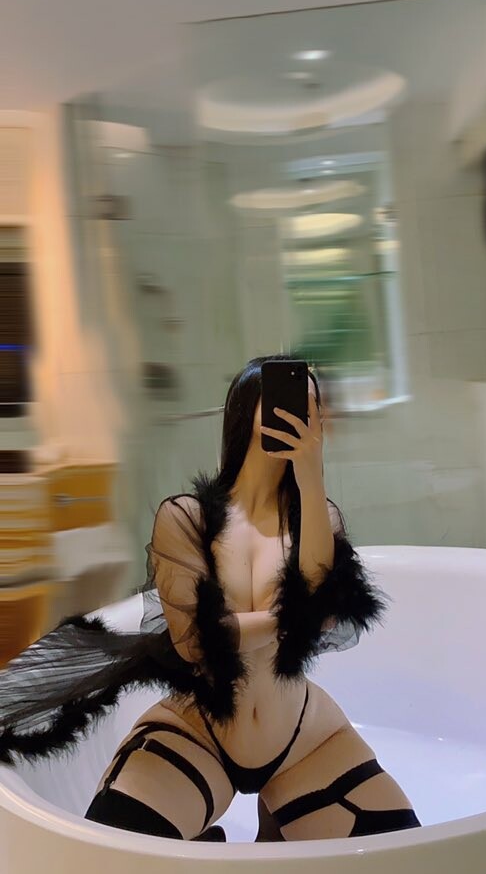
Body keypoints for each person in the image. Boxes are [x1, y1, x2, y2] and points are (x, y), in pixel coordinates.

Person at [0, 355, 420, 842]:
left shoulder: (318, 516)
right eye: (289, 400)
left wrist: (310, 477)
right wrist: (292, 619)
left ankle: (274, 837)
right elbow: (197, 642)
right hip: (200, 730)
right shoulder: (188, 517)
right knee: (117, 854)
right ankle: (220, 847)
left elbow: (321, 606)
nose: (303, 414)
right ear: (247, 410)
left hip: (304, 735)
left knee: (402, 858)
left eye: (313, 406)